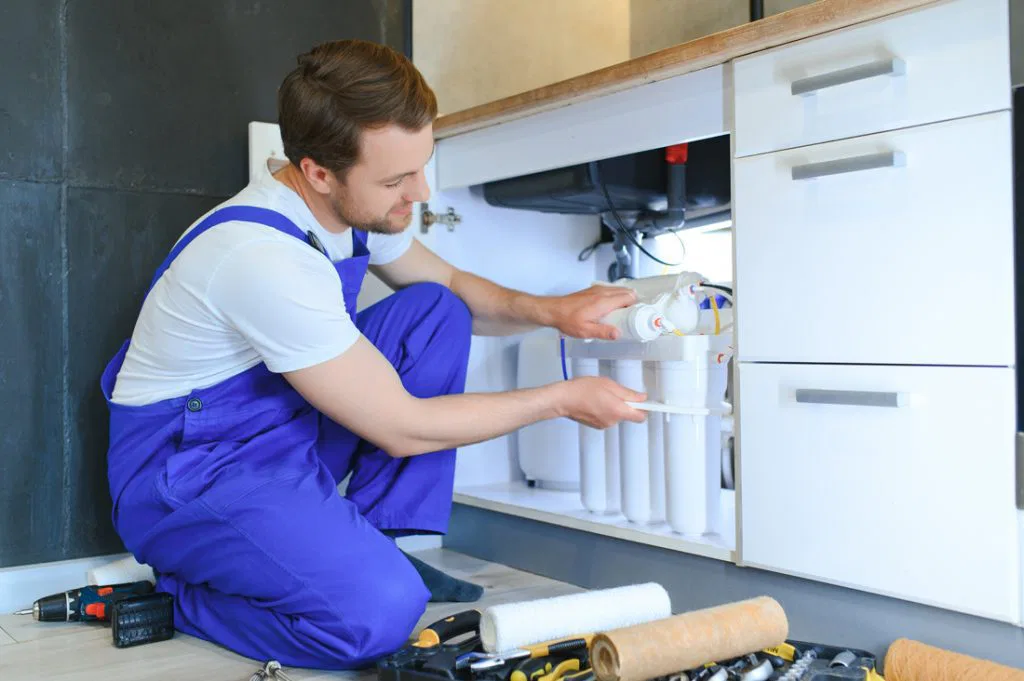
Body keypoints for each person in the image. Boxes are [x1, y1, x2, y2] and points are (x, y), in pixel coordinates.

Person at [100, 39, 645, 670]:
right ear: (318, 172)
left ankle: (380, 543)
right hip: (192, 474)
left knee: (435, 313)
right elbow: (403, 427)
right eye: (395, 180)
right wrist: (560, 399)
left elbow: (449, 287)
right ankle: (183, 597)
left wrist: (556, 311)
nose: (418, 193)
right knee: (379, 618)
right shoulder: (261, 256)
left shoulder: (350, 207)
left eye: (421, 166)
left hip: (277, 431)